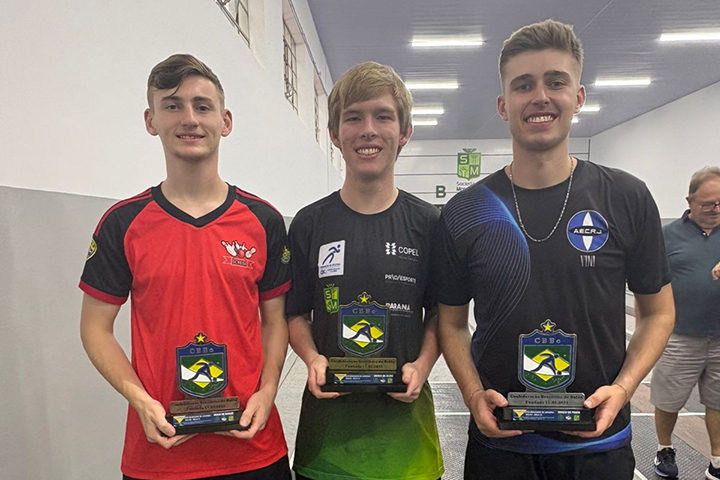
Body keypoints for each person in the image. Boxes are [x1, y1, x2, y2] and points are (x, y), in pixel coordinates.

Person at [435, 19, 675, 480]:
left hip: (599, 447)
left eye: (556, 82)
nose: (540, 96)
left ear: (578, 97)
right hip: (500, 448)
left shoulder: (625, 196)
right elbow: (451, 322)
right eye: (524, 85)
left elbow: (659, 313)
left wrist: (624, 388)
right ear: (503, 105)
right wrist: (472, 393)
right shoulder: (467, 210)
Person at [79, 54, 292, 480]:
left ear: (225, 121)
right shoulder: (123, 223)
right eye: (173, 105)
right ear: (151, 120)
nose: (189, 119)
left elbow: (275, 321)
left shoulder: (263, 220)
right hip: (160, 455)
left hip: (253, 450)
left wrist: (268, 390)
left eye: (202, 106)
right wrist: (140, 400)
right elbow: (94, 329)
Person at [285, 61, 444, 480]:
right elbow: (295, 314)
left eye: (383, 116)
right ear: (335, 134)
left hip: (409, 448)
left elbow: (441, 315)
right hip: (327, 449)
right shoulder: (309, 224)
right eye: (353, 117)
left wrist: (423, 365)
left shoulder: (429, 224)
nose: (368, 130)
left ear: (404, 132)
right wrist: (312, 358)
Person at [650, 166, 720, 480]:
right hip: (678, 335)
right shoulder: (666, 236)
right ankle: (664, 449)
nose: (716, 209)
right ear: (689, 201)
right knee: (668, 399)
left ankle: (717, 458)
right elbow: (649, 282)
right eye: (708, 204)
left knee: (718, 400)